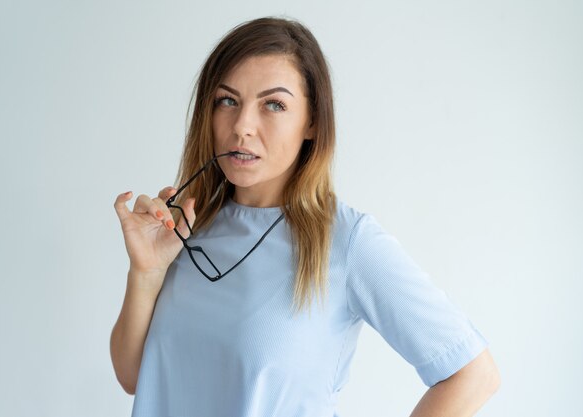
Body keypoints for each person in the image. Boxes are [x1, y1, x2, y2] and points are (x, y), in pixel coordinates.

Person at [110, 16, 500, 417]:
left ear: (312, 122)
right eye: (227, 100)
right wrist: (146, 272)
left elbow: (473, 374)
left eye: (273, 105)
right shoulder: (185, 229)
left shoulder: (347, 242)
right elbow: (136, 377)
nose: (242, 126)